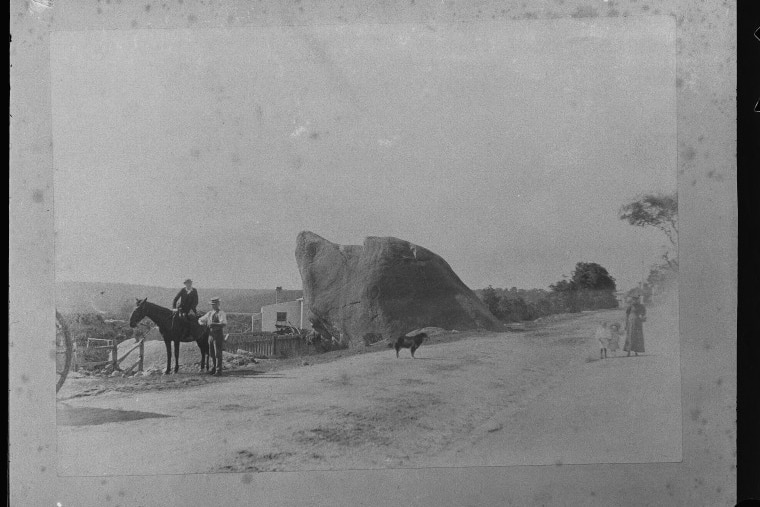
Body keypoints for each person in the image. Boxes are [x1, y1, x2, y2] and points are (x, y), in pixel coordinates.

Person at [198, 297, 227, 376]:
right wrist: (204, 323)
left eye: (215, 304)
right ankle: (213, 368)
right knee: (211, 353)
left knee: (218, 353)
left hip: (218, 335)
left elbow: (224, 323)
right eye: (212, 304)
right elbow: (200, 319)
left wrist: (213, 324)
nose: (214, 306)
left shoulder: (221, 313)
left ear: (218, 304)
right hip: (210, 335)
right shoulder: (210, 313)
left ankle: (219, 370)